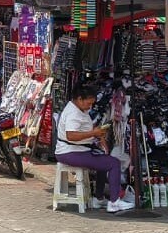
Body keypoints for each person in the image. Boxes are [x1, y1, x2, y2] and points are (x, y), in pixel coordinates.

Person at [56, 85, 134, 213]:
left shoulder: (79, 108)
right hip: (70, 152)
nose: (90, 107)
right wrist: (93, 133)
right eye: (88, 103)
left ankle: (99, 198)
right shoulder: (73, 113)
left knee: (103, 161)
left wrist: (98, 135)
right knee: (113, 163)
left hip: (76, 150)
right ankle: (114, 202)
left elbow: (85, 128)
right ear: (80, 99)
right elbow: (71, 135)